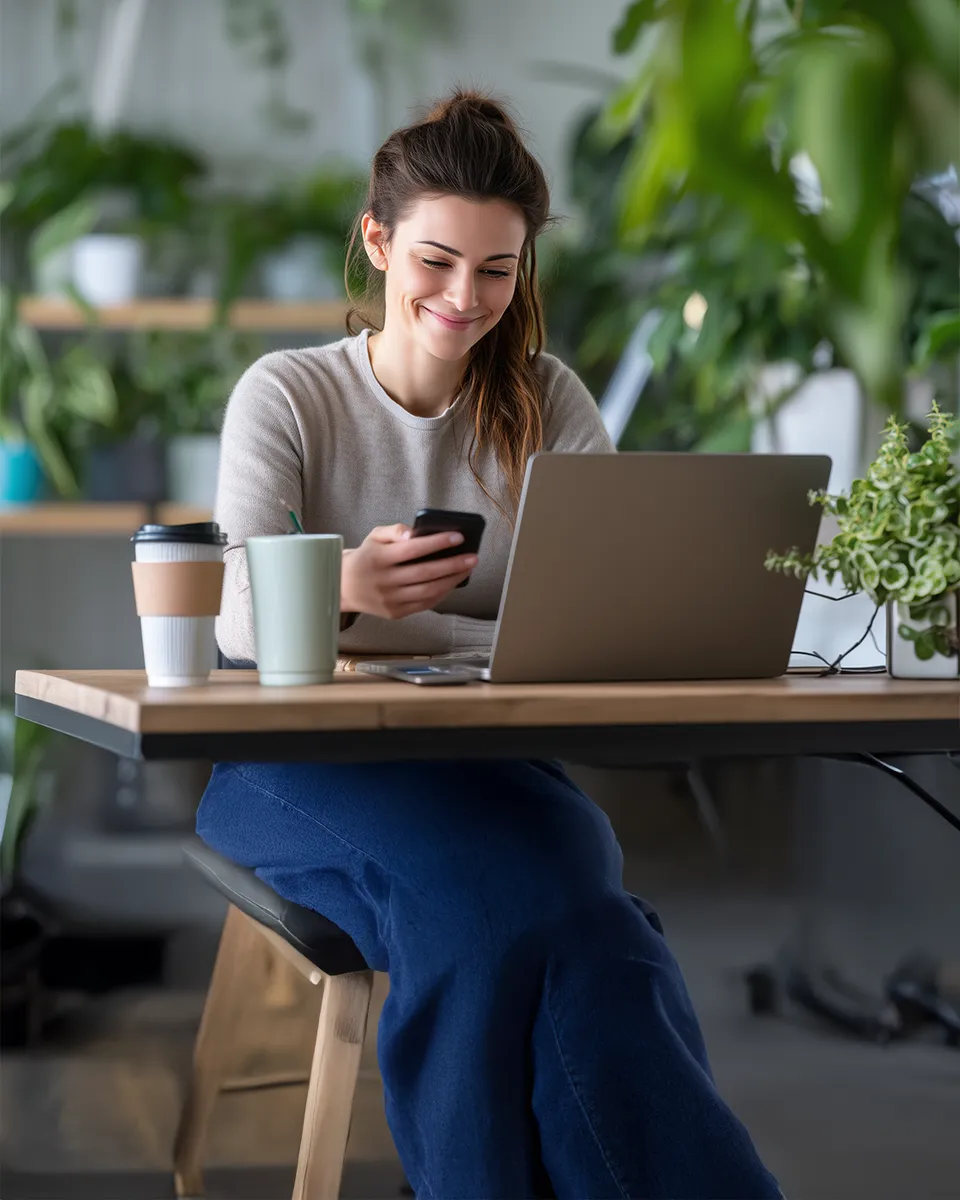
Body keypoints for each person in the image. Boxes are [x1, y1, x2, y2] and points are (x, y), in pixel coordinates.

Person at [197, 90, 782, 1200]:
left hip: (486, 761)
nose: (465, 298)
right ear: (376, 241)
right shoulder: (290, 396)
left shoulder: (548, 404)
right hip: (292, 764)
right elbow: (234, 620)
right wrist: (342, 588)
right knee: (514, 905)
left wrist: (373, 618)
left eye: (498, 271)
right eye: (435, 260)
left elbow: (598, 610)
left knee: (573, 916)